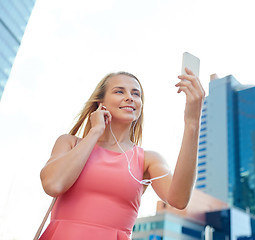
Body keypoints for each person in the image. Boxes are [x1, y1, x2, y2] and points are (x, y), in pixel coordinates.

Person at [38, 68, 205, 239]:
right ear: (100, 103)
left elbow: (179, 200)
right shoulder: (69, 143)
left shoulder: (147, 159)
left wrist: (192, 123)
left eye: (136, 94)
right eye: (119, 91)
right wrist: (95, 132)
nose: (130, 97)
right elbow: (53, 184)